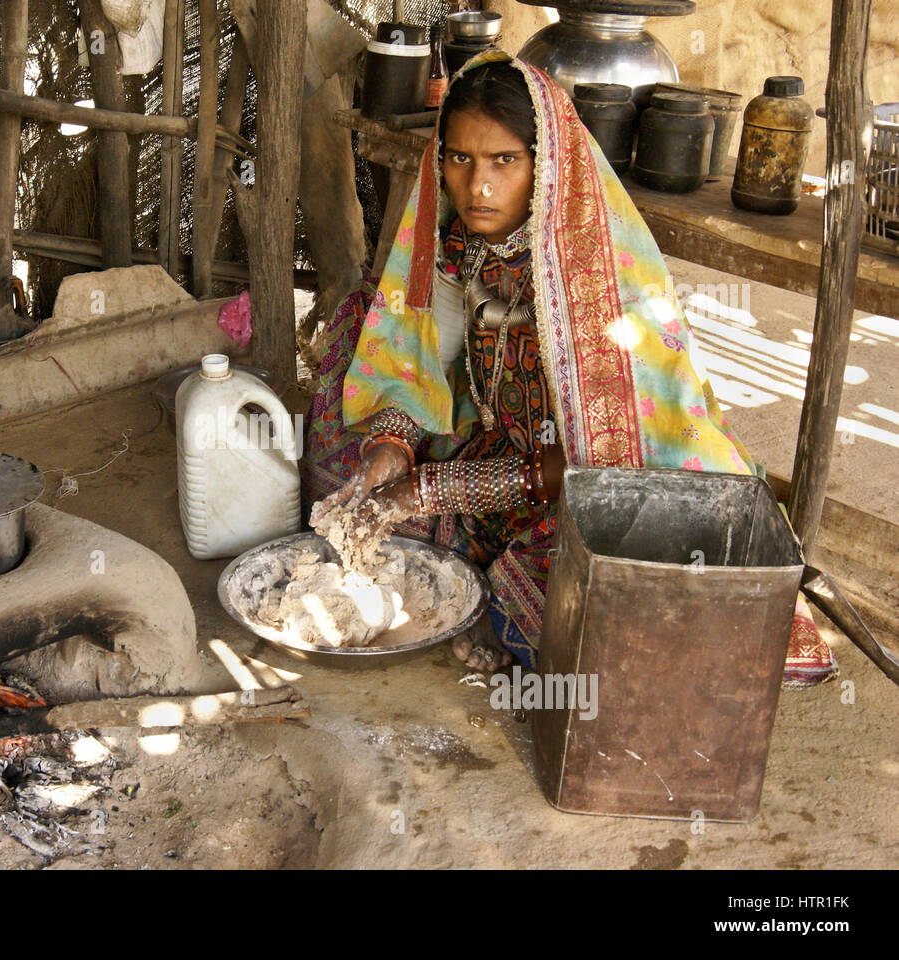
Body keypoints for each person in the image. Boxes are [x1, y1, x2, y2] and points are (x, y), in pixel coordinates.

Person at [303, 51, 837, 688]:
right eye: (459, 158)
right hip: (510, 457)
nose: (478, 186)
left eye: (506, 161)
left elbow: (606, 466)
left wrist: (432, 489)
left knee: (562, 592)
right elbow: (420, 362)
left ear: (547, 163)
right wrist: (392, 446)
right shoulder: (456, 245)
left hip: (615, 482)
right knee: (363, 357)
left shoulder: (602, 277)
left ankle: (502, 611)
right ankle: (480, 590)